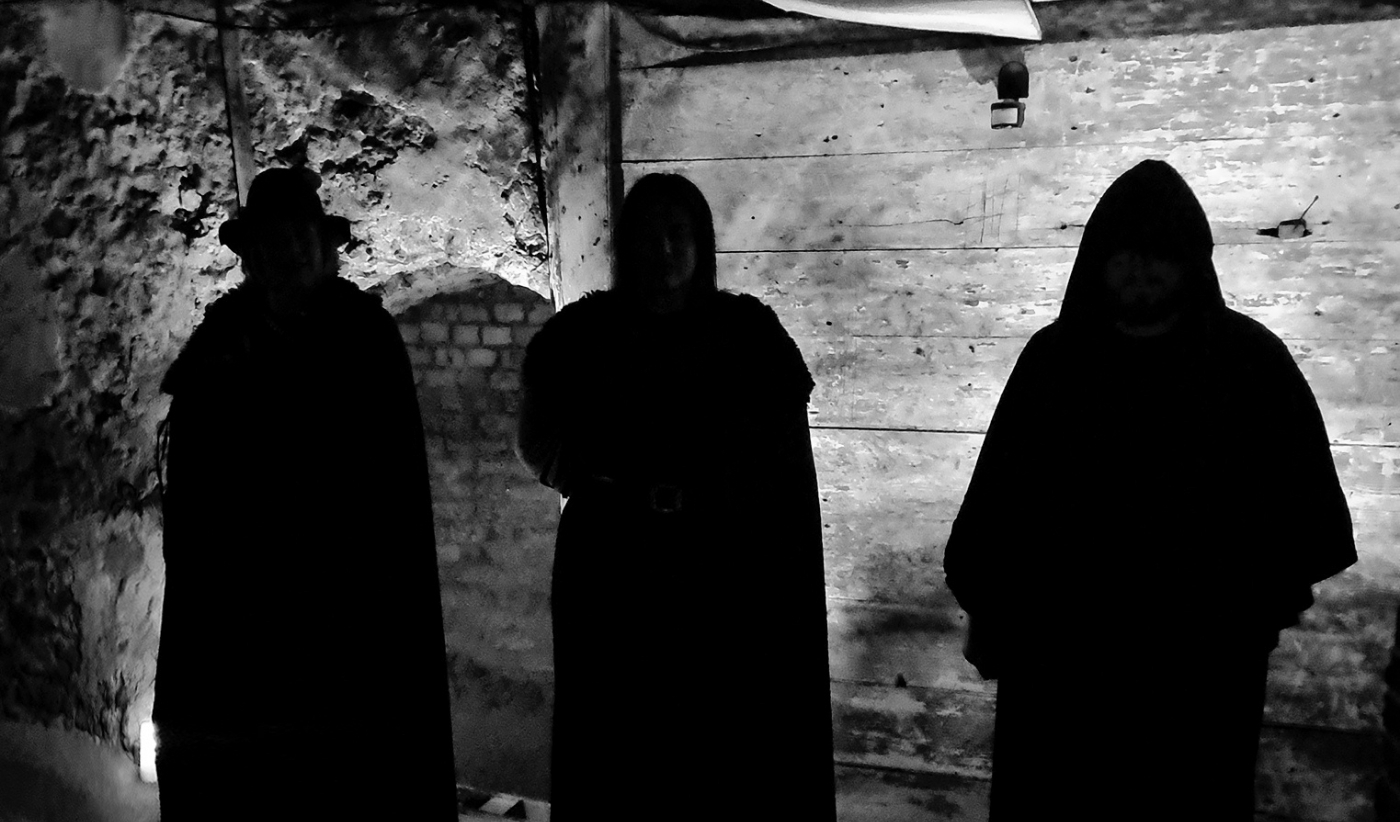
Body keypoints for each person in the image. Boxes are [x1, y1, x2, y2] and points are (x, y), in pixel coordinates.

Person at [942, 159, 1357, 822]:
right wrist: (992, 611)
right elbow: (998, 508)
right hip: (1062, 675)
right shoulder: (1054, 363)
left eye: (1160, 250)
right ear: (1098, 259)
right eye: (1124, 251)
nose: (1141, 268)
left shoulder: (1249, 363)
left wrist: (1240, 615)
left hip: (1199, 680)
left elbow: (1306, 520)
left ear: (1191, 258)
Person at [517, 173, 837, 821]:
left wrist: (722, 503)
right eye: (647, 234)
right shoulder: (581, 338)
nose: (663, 249)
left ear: (701, 242)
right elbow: (539, 440)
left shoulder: (749, 338)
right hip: (614, 583)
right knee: (621, 755)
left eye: (677, 233)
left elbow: (781, 468)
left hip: (721, 584)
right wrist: (609, 487)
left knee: (717, 758)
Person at [153, 167, 458, 821]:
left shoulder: (364, 337)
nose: (286, 253)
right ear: (252, 255)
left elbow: (388, 491)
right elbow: (196, 493)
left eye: (299, 238)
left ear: (322, 248)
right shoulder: (221, 344)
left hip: (346, 613)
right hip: (245, 619)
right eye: (271, 241)